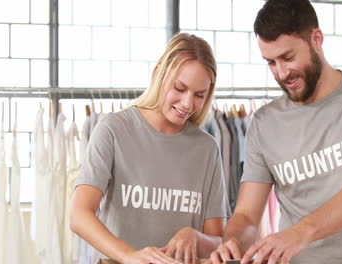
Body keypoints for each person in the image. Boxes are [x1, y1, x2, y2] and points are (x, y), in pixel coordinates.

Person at [209, 0, 342, 263]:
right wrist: (233, 240)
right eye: (270, 62)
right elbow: (247, 216)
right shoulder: (263, 123)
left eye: (288, 58)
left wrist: (299, 234)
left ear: (317, 39)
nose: (281, 73)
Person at [70, 33, 230, 264]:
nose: (187, 104)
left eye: (199, 95)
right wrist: (129, 256)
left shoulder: (207, 148)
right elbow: (79, 215)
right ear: (158, 74)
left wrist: (194, 236)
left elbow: (217, 240)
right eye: (179, 88)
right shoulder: (113, 129)